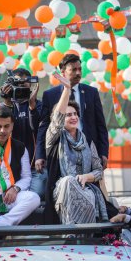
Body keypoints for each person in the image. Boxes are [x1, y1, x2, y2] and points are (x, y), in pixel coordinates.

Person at [35, 54, 109, 180]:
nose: (78, 73)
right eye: (73, 70)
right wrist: (40, 155)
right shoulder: (50, 95)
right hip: (60, 152)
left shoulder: (91, 92)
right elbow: (44, 127)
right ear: (63, 72)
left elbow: (100, 125)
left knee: (88, 185)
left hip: (88, 152)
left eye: (80, 69)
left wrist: (103, 152)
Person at [44, 82, 108, 224]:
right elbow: (56, 120)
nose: (73, 117)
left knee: (90, 195)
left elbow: (99, 170)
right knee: (69, 181)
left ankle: (87, 235)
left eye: (75, 114)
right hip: (61, 189)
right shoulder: (54, 137)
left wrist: (87, 177)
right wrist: (67, 90)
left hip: (86, 188)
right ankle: (70, 230)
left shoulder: (87, 140)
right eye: (68, 115)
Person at [0, 68, 46, 198]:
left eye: (24, 84)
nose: (21, 87)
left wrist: (32, 106)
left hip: (35, 166)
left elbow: (39, 130)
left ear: (30, 85)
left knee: (36, 194)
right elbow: (2, 131)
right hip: (12, 167)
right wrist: (7, 102)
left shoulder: (40, 105)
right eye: (18, 84)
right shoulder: (6, 107)